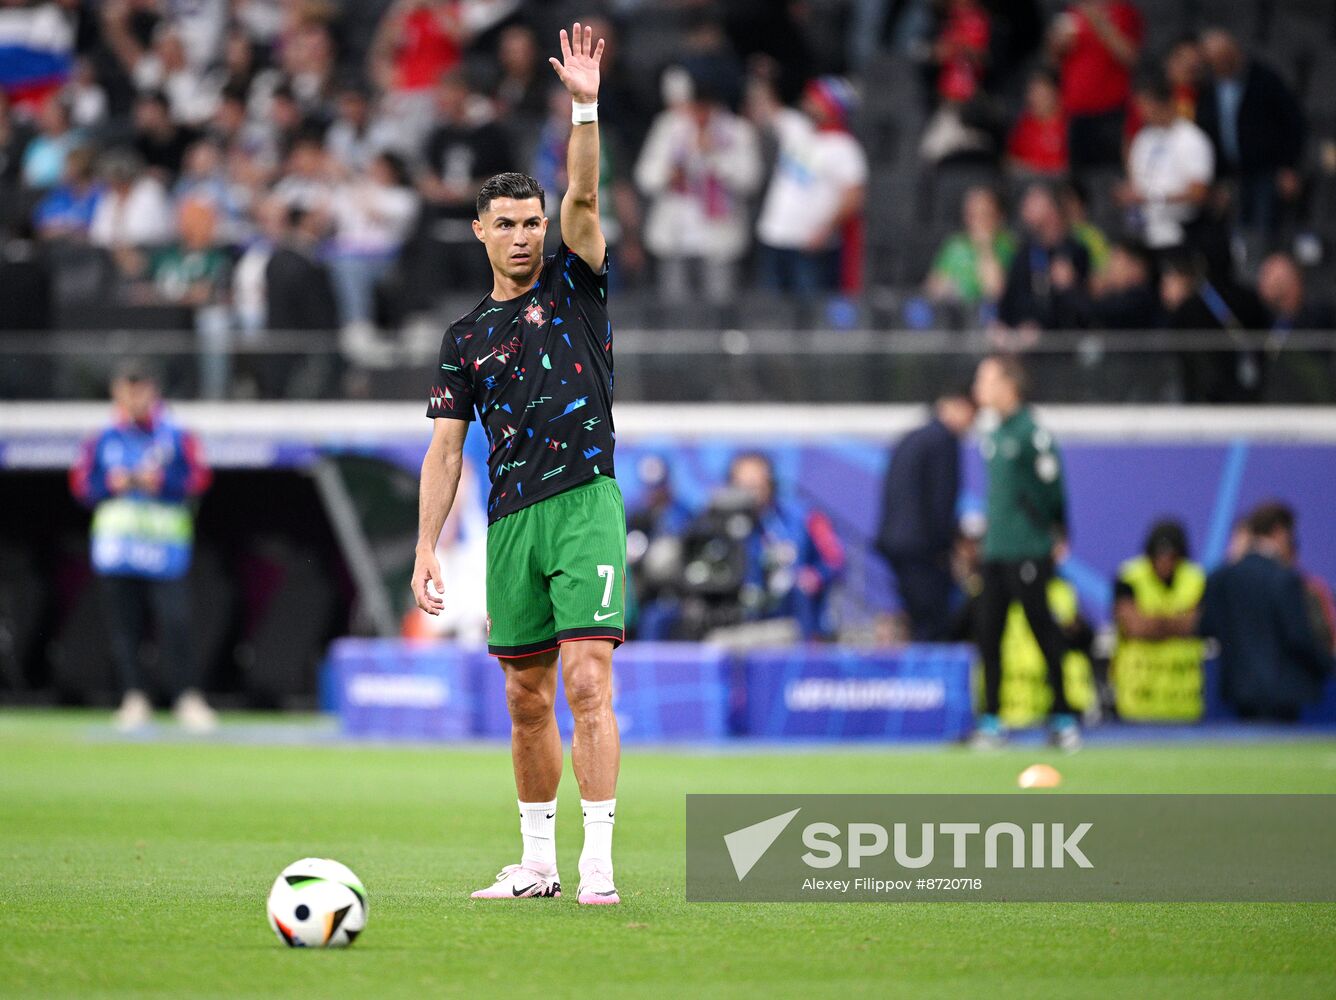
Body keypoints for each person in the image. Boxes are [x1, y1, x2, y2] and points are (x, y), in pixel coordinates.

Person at [410, 24, 625, 907]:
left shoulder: (577, 280)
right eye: (508, 225)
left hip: (585, 503)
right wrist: (428, 548)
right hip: (510, 522)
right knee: (527, 699)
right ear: (480, 232)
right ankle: (535, 862)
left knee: (587, 678)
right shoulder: (465, 340)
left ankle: (598, 865)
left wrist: (583, 104)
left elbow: (584, 187)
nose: (527, 236)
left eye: (533, 222)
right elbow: (446, 449)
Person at [68, 363, 215, 732]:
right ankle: (134, 696)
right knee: (125, 629)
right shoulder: (101, 436)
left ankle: (186, 696)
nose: (134, 397)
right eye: (126, 389)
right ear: (116, 393)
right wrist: (112, 483)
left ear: (153, 390)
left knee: (176, 624)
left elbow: (198, 478)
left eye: (141, 388)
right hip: (119, 551)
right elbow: (83, 485)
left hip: (164, 551)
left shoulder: (177, 435)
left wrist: (160, 482)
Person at [970, 355, 1079, 750]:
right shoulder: (992, 434)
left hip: (1028, 550)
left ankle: (1064, 717)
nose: (977, 388)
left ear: (1008, 384)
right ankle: (991, 720)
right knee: (988, 635)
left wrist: (1057, 533)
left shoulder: (1032, 433)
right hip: (996, 550)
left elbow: (1054, 491)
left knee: (1042, 630)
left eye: (985, 379)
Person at [634, 75, 761, 306]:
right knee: (675, 309)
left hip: (719, 238)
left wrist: (715, 157)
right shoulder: (668, 127)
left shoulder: (738, 131)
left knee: (719, 308)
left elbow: (750, 181)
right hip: (675, 236)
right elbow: (645, 177)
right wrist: (668, 174)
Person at [1199, 502, 1334, 721]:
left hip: (1238, 691)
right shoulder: (1284, 579)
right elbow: (1298, 637)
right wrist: (1327, 665)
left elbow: (1205, 627)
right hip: (1283, 692)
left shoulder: (1220, 578)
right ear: (1280, 531)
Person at [752, 75, 867, 296]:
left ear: (831, 106)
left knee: (808, 315)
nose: (808, 103)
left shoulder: (844, 147)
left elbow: (854, 197)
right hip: (774, 235)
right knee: (769, 316)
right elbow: (765, 108)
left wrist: (826, 230)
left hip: (809, 244)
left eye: (816, 99)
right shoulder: (797, 128)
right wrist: (763, 76)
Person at [876, 388, 976, 641]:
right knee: (934, 627)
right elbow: (941, 503)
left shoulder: (913, 437)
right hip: (923, 552)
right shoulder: (943, 440)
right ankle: (932, 680)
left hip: (899, 547)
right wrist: (945, 551)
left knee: (919, 621)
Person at [1195, 29, 1306, 233]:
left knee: (1263, 231)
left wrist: (1289, 166)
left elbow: (1293, 122)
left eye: (1220, 59)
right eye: (1210, 61)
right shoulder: (1209, 88)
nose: (1215, 65)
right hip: (1230, 174)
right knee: (1232, 232)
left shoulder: (1264, 80)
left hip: (1265, 171)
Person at [727, 452, 845, 641]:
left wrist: (814, 577)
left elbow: (835, 560)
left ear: (771, 484)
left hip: (794, 625)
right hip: (740, 627)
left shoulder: (804, 518)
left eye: (757, 486)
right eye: (744, 486)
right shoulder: (720, 525)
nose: (751, 494)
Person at [1111, 520, 1206, 721]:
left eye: (1170, 556)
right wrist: (1177, 621)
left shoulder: (1196, 579)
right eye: (1159, 555)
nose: (1165, 562)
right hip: (1138, 701)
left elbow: (1198, 624)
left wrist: (1153, 622)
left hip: (1184, 702)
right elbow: (1135, 627)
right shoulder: (1129, 577)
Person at [1119, 72, 1213, 254]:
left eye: (1146, 104)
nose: (1142, 111)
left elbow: (1199, 193)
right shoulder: (1143, 139)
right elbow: (1137, 183)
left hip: (1181, 233)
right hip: (1146, 233)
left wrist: (1155, 197)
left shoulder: (1191, 139)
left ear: (1163, 102)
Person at [1048, 0, 1144, 172]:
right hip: (1076, 113)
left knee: (1110, 175)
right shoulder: (1072, 13)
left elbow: (1131, 57)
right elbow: (1054, 60)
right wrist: (1058, 44)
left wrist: (1099, 22)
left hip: (1111, 113)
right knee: (1078, 179)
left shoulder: (1122, 10)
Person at [994, 182, 1090, 335]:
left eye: (1035, 201)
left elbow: (1074, 310)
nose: (1025, 205)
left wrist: (1039, 327)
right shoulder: (1024, 252)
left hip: (1056, 341)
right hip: (1019, 335)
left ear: (1053, 208)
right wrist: (1001, 324)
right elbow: (1011, 297)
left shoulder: (1074, 251)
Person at [924, 186, 1015, 307]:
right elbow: (931, 288)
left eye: (984, 214)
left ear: (998, 217)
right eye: (972, 215)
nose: (977, 221)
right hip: (955, 312)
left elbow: (995, 292)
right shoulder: (955, 244)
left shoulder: (1007, 245)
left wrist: (985, 247)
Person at [1006, 69, 1068, 178]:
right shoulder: (1024, 124)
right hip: (1027, 183)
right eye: (1032, 93)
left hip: (1059, 184)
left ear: (1055, 94)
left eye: (1042, 93)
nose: (1036, 99)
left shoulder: (1068, 125)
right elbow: (1010, 160)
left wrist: (1042, 171)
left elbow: (1071, 166)